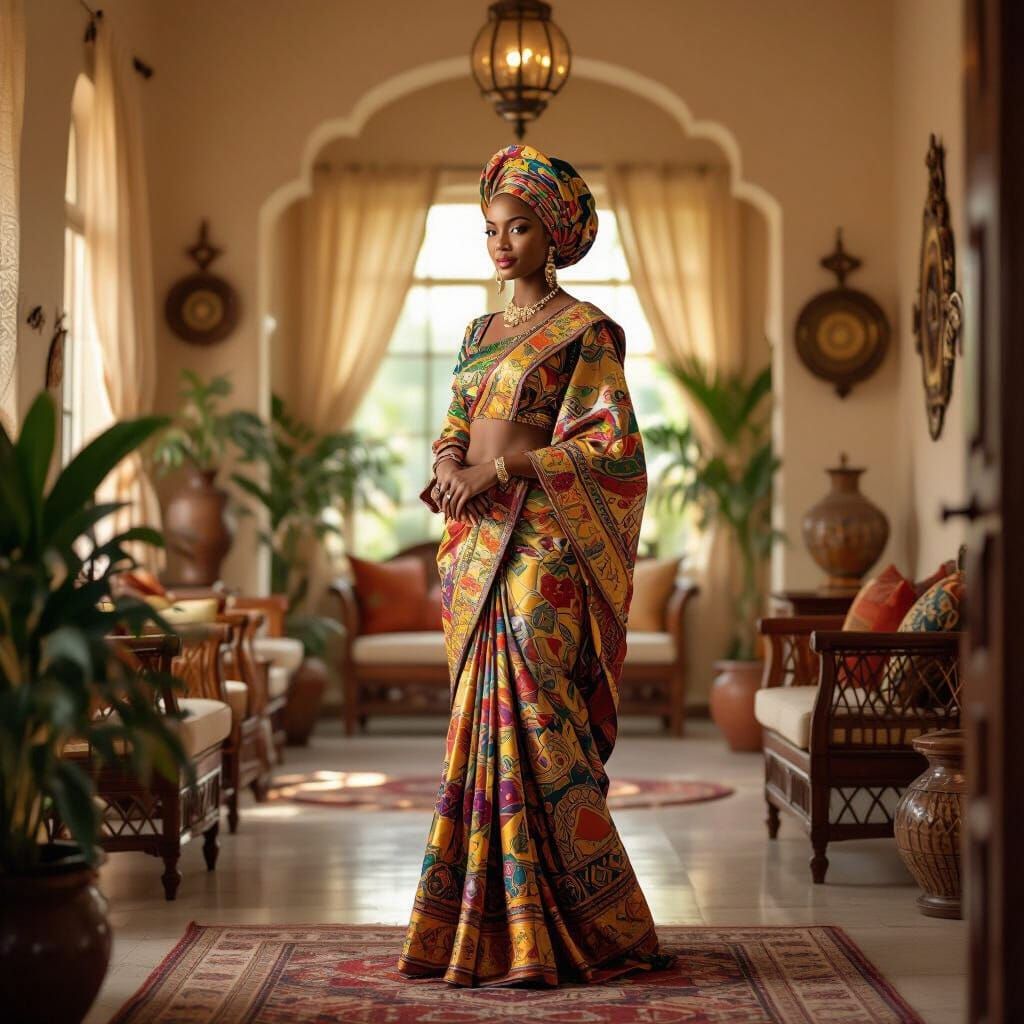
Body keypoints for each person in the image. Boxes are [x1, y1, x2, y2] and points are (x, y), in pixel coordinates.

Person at [397, 143, 672, 988]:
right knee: (477, 728)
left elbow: (610, 443)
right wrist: (449, 466)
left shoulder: (586, 330)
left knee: (540, 714)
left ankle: (592, 922)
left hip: (544, 543)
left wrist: (502, 471)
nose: (501, 243)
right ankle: (482, 932)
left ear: (553, 237)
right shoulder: (480, 333)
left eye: (518, 228)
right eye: (491, 229)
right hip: (473, 543)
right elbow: (454, 419)